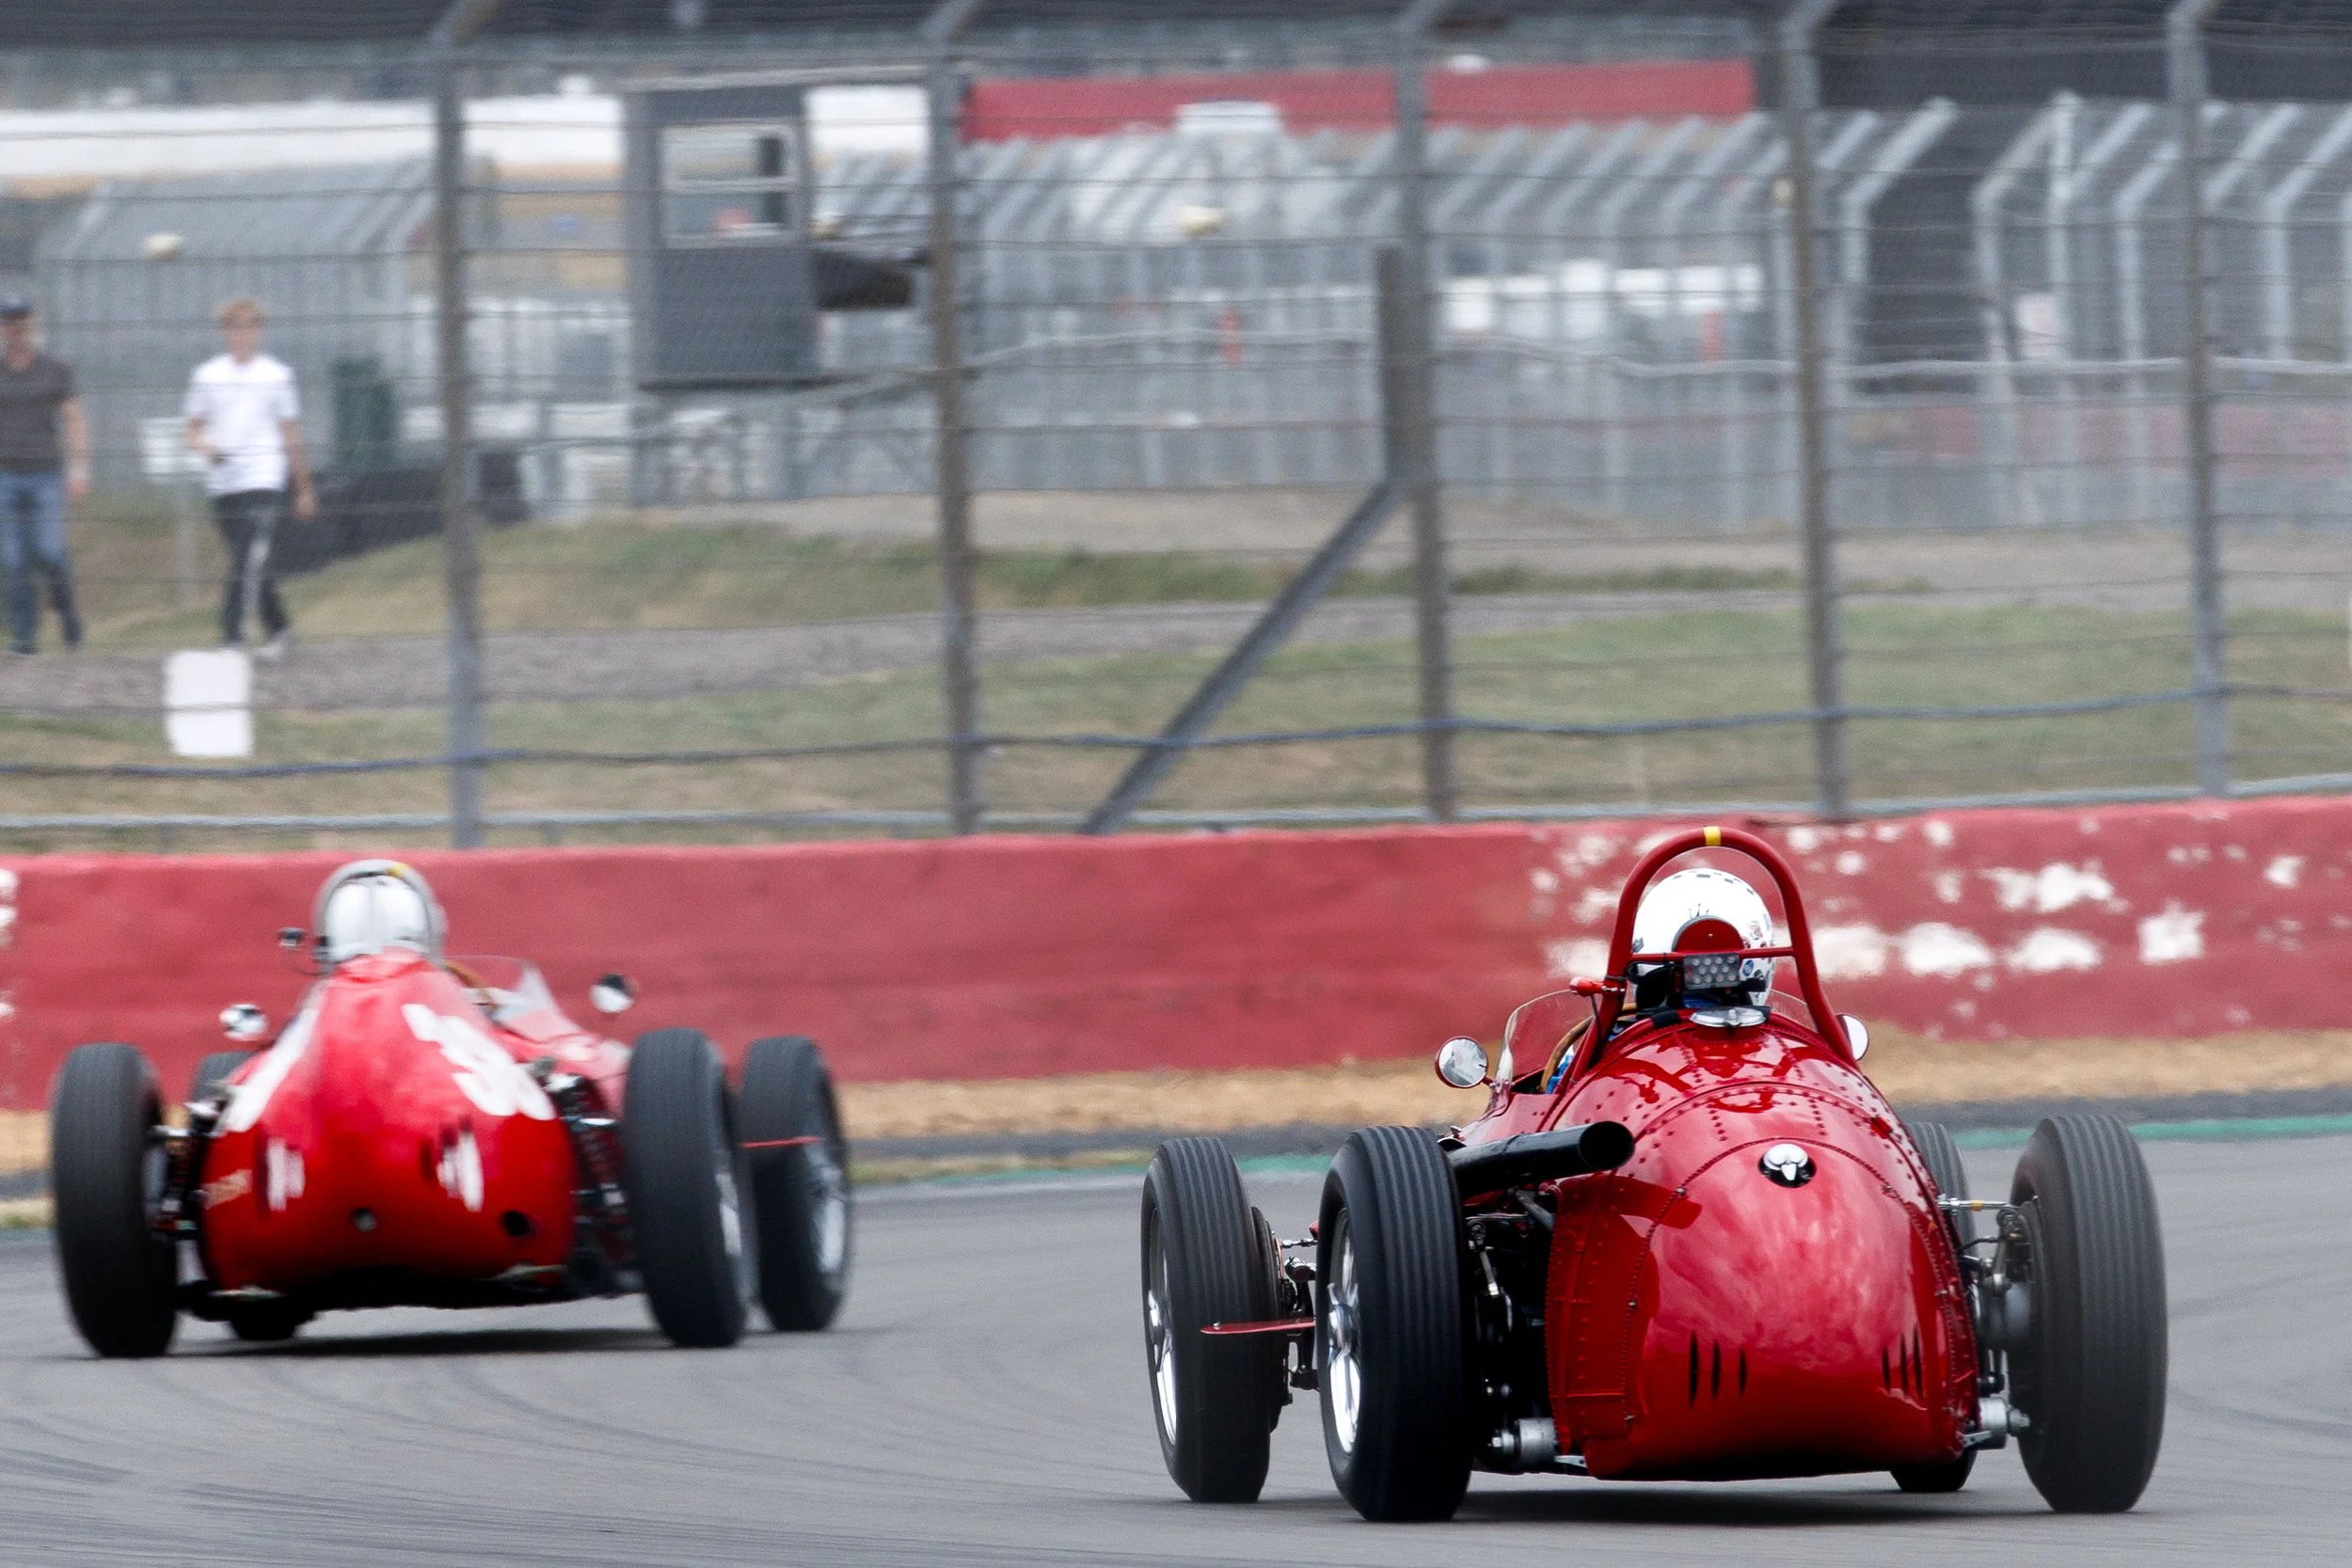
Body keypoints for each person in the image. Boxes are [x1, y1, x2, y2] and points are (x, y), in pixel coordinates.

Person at [184, 296, 315, 660]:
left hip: (264, 477)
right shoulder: (208, 376)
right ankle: (281, 629)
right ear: (225, 332)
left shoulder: (276, 375)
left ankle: (231, 637)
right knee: (250, 562)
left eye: (250, 326)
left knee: (248, 557)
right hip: (225, 481)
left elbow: (290, 433)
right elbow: (192, 430)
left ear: (260, 331)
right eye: (235, 326)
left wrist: (302, 487)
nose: (243, 334)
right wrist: (205, 446)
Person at [0, 296, 87, 656]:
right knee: (13, 559)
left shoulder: (54, 370)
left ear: (33, 326)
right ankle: (25, 636)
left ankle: (67, 614)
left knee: (50, 551)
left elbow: (74, 417)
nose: (17, 331)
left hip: (46, 476)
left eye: (23, 324)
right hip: (6, 477)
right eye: (10, 324)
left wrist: (79, 467)